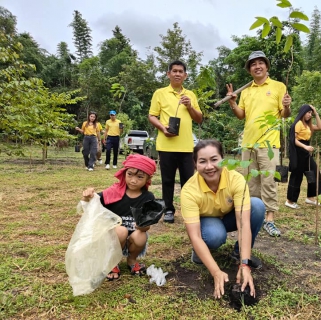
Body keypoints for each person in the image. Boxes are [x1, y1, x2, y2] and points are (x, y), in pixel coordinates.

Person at [180, 140, 264, 299]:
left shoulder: (236, 179)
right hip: (206, 223)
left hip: (227, 217)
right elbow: (194, 235)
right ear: (195, 164)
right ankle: (200, 253)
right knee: (214, 235)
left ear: (223, 160)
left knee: (257, 206)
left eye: (214, 159)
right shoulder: (189, 191)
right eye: (202, 161)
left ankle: (238, 254)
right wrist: (216, 272)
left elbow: (244, 223)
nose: (209, 166)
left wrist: (244, 264)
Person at [226, 50, 292, 237]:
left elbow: (285, 115)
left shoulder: (279, 87)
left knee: (269, 180)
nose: (257, 66)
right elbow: (241, 115)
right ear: (250, 70)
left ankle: (269, 219)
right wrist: (233, 102)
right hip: (248, 143)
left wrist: (287, 106)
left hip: (269, 144)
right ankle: (255, 216)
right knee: (251, 182)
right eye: (253, 64)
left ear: (267, 66)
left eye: (260, 63)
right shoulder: (246, 91)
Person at [81, 154, 157, 280]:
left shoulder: (148, 198)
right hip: (113, 237)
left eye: (139, 177)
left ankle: (131, 260)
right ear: (124, 173)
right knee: (121, 230)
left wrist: (142, 227)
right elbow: (92, 202)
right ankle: (112, 262)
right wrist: (87, 196)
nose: (133, 180)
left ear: (148, 178)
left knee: (140, 236)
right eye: (130, 174)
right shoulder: (114, 192)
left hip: (133, 236)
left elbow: (146, 226)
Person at [149, 60, 203, 223]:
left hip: (187, 146)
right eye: (174, 71)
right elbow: (152, 116)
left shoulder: (190, 95)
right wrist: (162, 128)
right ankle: (169, 210)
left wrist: (190, 106)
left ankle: (189, 210)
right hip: (166, 145)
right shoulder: (160, 93)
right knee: (167, 180)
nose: (177, 74)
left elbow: (199, 119)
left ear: (185, 75)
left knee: (188, 180)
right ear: (168, 74)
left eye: (181, 71)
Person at [286, 104, 321, 209]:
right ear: (303, 112)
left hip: (306, 153)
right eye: (308, 112)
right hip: (298, 152)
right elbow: (293, 139)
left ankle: (310, 197)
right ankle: (290, 200)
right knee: (297, 176)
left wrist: (316, 113)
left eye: (311, 113)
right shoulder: (298, 124)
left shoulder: (308, 126)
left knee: (314, 172)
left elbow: (320, 127)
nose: (309, 115)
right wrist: (305, 147)